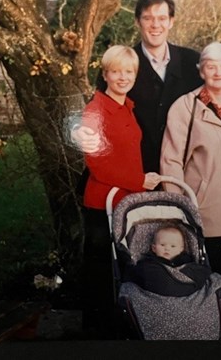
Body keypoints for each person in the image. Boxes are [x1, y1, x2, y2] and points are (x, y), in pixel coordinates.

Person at [72, 0, 221, 172]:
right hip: (135, 172)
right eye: (148, 18)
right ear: (138, 21)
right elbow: (97, 109)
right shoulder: (122, 65)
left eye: (162, 18)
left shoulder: (192, 62)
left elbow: (216, 97)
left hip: (184, 170)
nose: (155, 25)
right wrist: (77, 129)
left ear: (171, 22)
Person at [160, 42, 221, 339]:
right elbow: (171, 160)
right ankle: (214, 330)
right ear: (200, 70)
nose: (218, 72)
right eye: (211, 66)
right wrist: (180, 207)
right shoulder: (185, 106)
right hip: (205, 211)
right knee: (209, 279)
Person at [80, 45, 160, 339]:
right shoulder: (94, 111)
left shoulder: (128, 106)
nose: (123, 77)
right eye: (116, 71)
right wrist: (140, 181)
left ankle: (124, 325)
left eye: (129, 71)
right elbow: (99, 167)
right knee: (102, 270)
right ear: (105, 74)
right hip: (103, 204)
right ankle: (98, 334)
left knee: (124, 266)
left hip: (126, 202)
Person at [124, 220, 212, 297]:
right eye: (162, 245)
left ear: (181, 249)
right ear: (154, 248)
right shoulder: (147, 263)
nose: (167, 248)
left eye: (173, 246)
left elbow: (203, 272)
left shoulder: (188, 262)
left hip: (187, 294)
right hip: (157, 292)